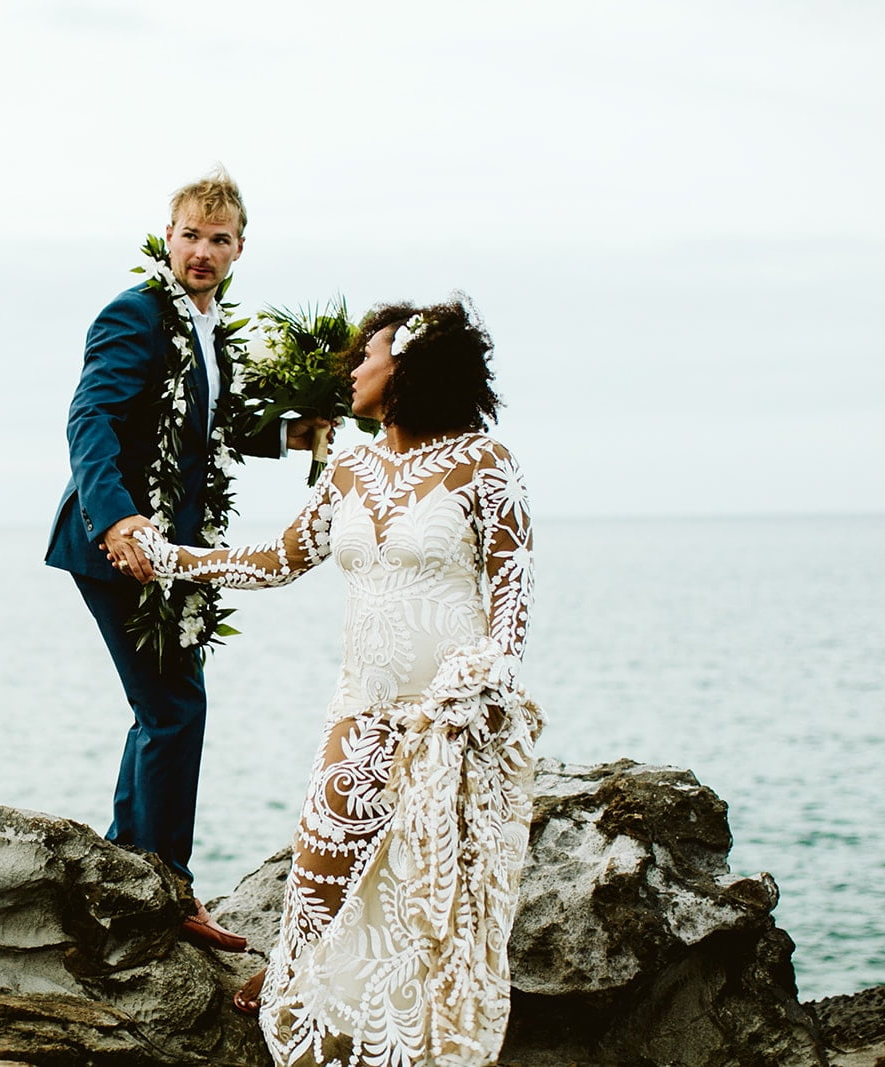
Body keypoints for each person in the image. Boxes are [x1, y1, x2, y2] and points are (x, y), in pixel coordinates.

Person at [132, 296, 542, 1067]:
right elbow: (277, 559)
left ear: (409, 365)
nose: (353, 368)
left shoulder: (489, 464)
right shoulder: (352, 466)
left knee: (437, 918)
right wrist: (171, 559)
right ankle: (302, 991)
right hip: (362, 711)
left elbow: (511, 614)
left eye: (367, 354)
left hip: (449, 727)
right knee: (316, 888)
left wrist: (473, 690)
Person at [45, 167, 326, 953]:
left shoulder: (207, 326)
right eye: (191, 235)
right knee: (174, 710)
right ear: (166, 237)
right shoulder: (135, 314)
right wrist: (120, 520)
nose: (203, 251)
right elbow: (90, 417)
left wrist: (288, 435)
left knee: (162, 709)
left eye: (220, 238)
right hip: (119, 546)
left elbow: (209, 425)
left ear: (241, 248)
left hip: (173, 549)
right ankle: (162, 888)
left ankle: (128, 870)